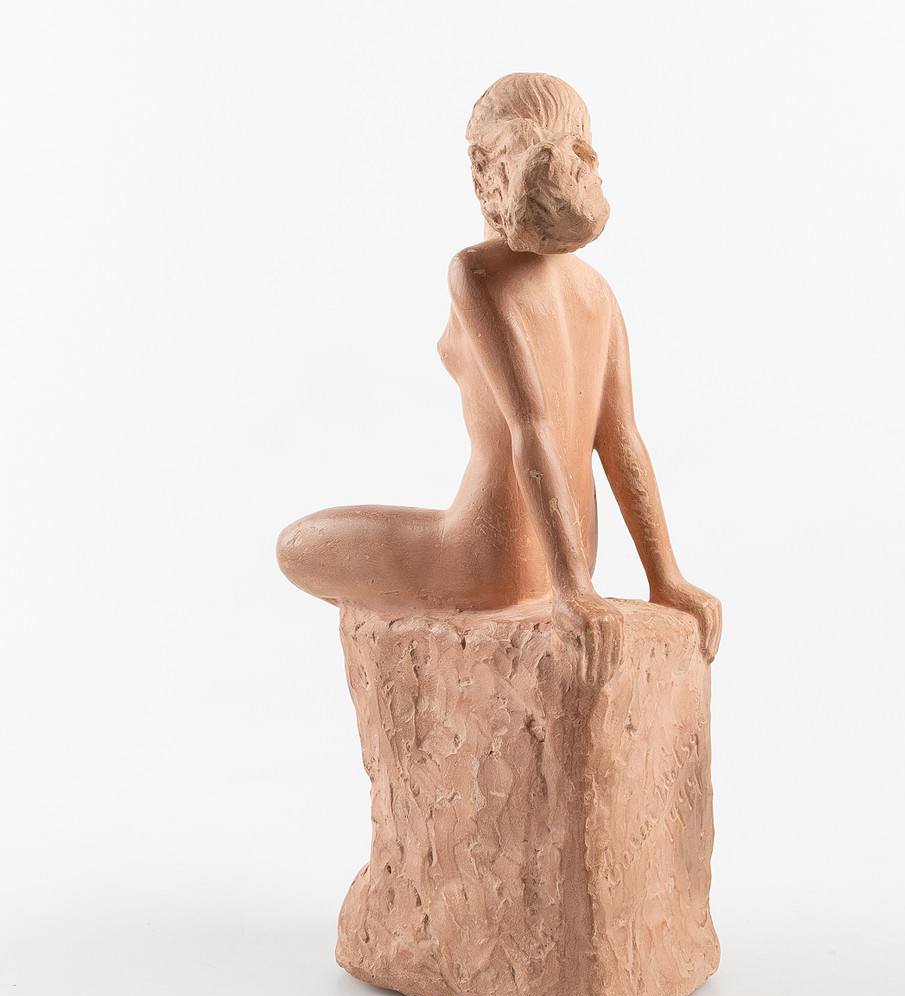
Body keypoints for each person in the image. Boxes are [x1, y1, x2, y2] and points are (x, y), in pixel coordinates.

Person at [277, 72, 721, 683]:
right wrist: (663, 578)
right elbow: (621, 441)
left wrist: (574, 591)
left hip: (489, 554)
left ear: (484, 170)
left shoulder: (476, 273)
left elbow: (531, 428)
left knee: (296, 548)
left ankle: (434, 665)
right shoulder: (596, 291)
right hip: (571, 548)